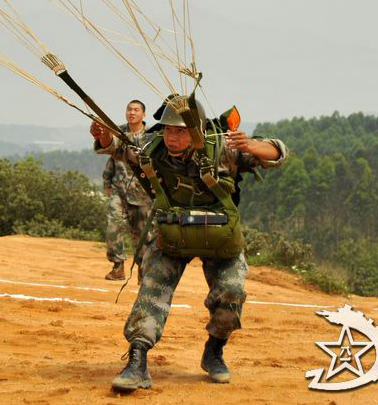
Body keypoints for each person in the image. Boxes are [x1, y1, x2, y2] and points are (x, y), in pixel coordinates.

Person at [92, 96, 286, 391]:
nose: (171, 136)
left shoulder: (223, 150)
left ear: (196, 131)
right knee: (151, 291)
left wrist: (248, 146)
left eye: (180, 131)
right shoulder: (151, 149)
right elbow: (117, 146)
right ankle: (137, 360)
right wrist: (103, 135)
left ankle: (214, 351)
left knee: (232, 293)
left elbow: (277, 153)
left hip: (220, 238)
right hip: (173, 235)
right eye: (169, 130)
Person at [98, 99, 154, 281]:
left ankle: (142, 270)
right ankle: (117, 266)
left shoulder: (152, 137)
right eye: (129, 109)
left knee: (142, 234)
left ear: (143, 114)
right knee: (113, 227)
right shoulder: (118, 133)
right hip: (118, 191)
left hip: (143, 194)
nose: (132, 113)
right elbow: (111, 158)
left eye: (136, 110)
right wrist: (107, 183)